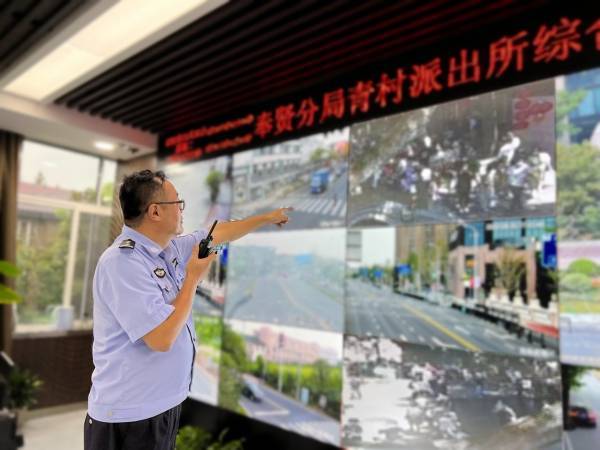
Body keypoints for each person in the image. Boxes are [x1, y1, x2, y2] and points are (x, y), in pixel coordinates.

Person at [84, 169, 291, 450]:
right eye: (177, 203)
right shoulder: (122, 262)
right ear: (155, 212)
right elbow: (161, 338)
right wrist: (193, 278)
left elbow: (215, 234)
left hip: (160, 408)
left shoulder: (168, 249)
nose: (182, 210)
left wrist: (267, 218)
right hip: (129, 418)